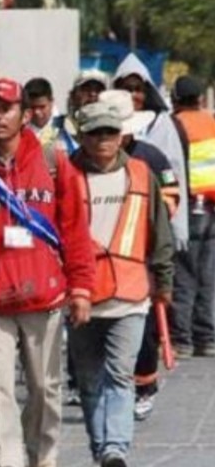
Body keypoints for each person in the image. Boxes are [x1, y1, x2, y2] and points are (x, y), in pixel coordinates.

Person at [0, 78, 95, 467]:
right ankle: (7, 460)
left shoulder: (53, 163)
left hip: (45, 296)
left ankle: (43, 457)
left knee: (46, 389)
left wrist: (81, 288)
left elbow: (75, 231)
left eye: (6, 108)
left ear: (25, 114)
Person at [69, 100, 174, 467]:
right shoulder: (66, 175)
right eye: (95, 133)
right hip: (82, 296)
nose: (102, 140)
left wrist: (164, 281)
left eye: (109, 133)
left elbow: (159, 231)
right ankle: (102, 447)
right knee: (87, 379)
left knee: (119, 374)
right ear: (81, 136)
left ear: (122, 136)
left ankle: (115, 447)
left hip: (130, 295)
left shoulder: (143, 174)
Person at [99, 89, 180, 422]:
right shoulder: (87, 162)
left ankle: (144, 384)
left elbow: (171, 199)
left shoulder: (152, 158)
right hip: (100, 261)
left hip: (139, 258)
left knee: (142, 327)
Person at [112, 55, 190, 355]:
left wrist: (168, 223)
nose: (133, 96)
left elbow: (174, 180)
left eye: (137, 88)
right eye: (125, 89)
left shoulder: (161, 127)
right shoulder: (97, 137)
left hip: (149, 232)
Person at [169, 75, 215, 358]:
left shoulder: (174, 125)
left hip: (186, 207)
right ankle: (207, 337)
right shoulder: (211, 122)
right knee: (208, 274)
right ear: (199, 98)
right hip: (211, 206)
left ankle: (181, 339)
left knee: (183, 274)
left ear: (175, 98)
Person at [24, 77, 57, 146]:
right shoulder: (18, 131)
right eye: (32, 107)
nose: (37, 112)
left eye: (42, 107)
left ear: (52, 102)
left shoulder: (66, 130)